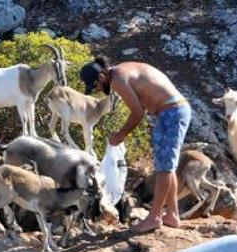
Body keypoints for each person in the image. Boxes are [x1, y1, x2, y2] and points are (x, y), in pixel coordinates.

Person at [80, 57, 191, 233]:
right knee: (166, 166)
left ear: (101, 77)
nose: (99, 90)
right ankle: (172, 214)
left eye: (96, 86)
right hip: (170, 111)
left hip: (172, 112)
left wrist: (121, 135)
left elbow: (138, 112)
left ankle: (154, 217)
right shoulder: (120, 70)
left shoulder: (117, 80)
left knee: (165, 168)